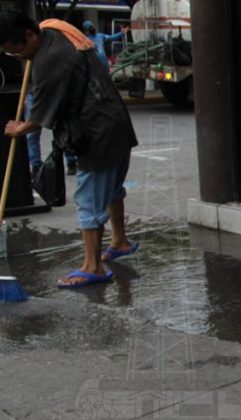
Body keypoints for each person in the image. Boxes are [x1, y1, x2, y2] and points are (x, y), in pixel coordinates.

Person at [1, 13, 138, 288]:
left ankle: (93, 266)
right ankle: (120, 241)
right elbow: (48, 23)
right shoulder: (54, 30)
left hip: (96, 131)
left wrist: (20, 127)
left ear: (30, 36)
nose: (20, 58)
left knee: (89, 199)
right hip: (116, 123)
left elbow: (39, 115)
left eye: (19, 51)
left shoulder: (49, 58)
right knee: (111, 189)